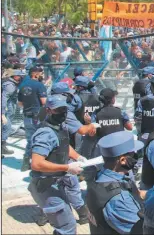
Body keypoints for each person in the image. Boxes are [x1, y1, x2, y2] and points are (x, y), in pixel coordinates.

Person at [28, 95, 86, 235]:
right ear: (48, 110)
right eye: (58, 109)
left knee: (66, 225)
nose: (63, 112)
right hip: (46, 185)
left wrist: (77, 156)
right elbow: (36, 163)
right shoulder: (45, 133)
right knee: (67, 226)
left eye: (64, 109)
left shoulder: (60, 126)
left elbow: (63, 145)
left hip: (57, 182)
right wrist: (67, 167)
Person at [86, 131, 145, 234]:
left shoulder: (99, 177)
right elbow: (143, 230)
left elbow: (135, 193)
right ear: (122, 160)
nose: (136, 157)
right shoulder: (119, 200)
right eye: (133, 155)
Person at [82, 88, 133, 159]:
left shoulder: (96, 114)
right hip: (118, 146)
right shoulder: (120, 112)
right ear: (112, 99)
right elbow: (130, 127)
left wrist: (88, 123)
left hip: (103, 148)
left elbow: (92, 133)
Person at [18, 66, 47, 171]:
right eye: (41, 73)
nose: (42, 75)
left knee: (30, 140)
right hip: (37, 117)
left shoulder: (23, 85)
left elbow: (20, 104)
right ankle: (39, 162)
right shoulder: (39, 85)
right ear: (35, 74)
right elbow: (44, 102)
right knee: (40, 139)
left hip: (27, 117)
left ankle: (26, 162)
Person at [1, 69, 25, 154]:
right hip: (6, 109)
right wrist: (2, 114)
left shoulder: (13, 83)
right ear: (15, 76)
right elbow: (4, 99)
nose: (22, 77)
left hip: (9, 108)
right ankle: (2, 147)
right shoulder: (10, 85)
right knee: (6, 126)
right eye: (20, 76)